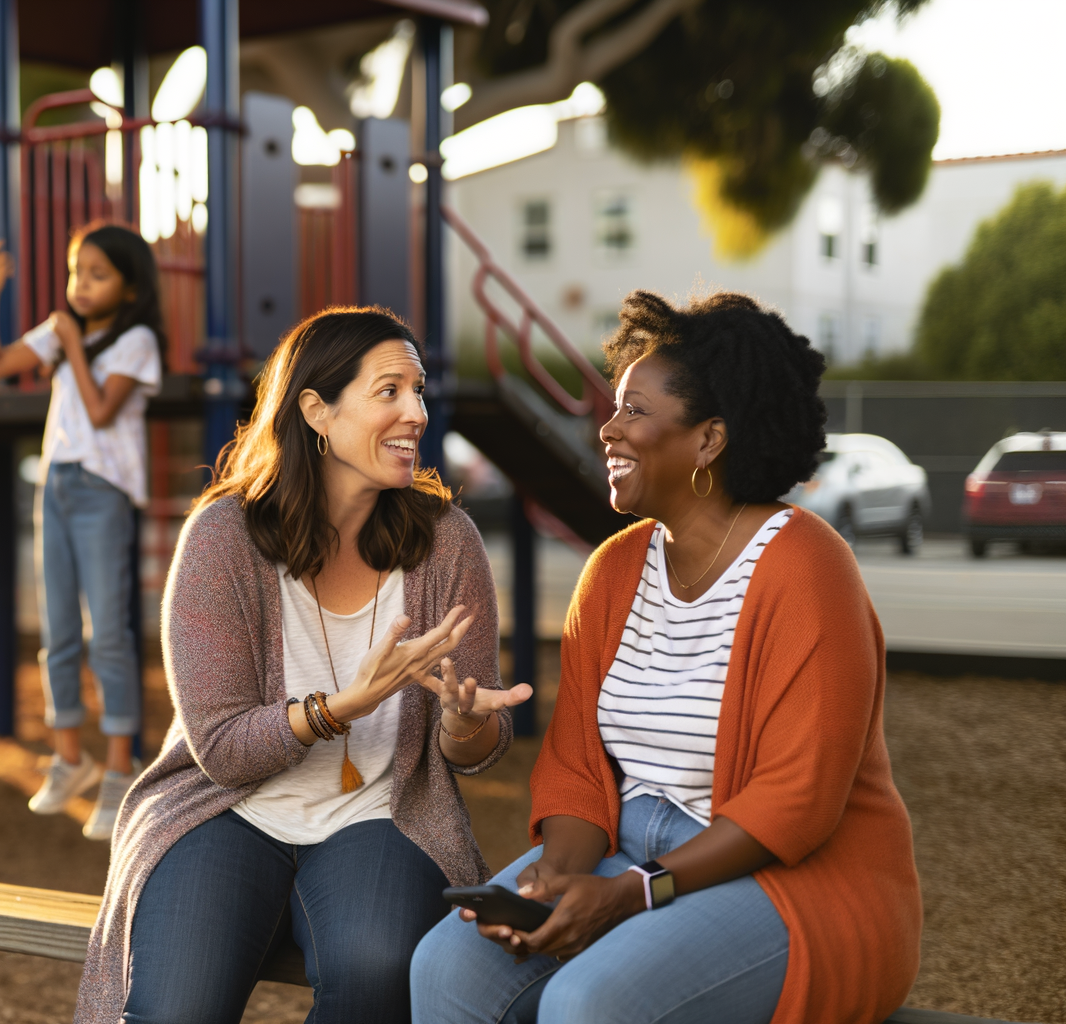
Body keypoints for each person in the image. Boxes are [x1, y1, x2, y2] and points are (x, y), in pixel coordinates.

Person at [411, 290, 922, 1024]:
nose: (608, 429)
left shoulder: (807, 567)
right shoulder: (615, 569)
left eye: (634, 411)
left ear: (709, 441)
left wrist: (633, 892)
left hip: (782, 875)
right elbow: (580, 769)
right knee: (446, 968)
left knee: (589, 1002)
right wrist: (557, 875)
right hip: (622, 845)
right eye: (613, 408)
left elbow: (797, 805)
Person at [73, 307, 534, 1024]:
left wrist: (462, 723)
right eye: (389, 391)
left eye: (418, 391)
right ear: (317, 410)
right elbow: (222, 750)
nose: (416, 412)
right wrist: (342, 706)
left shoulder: (447, 544)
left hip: (380, 814)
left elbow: (474, 753)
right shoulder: (223, 538)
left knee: (378, 971)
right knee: (174, 1010)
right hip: (226, 810)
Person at [0, 224, 165, 841]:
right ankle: (69, 758)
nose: (81, 285)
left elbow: (102, 410)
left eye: (97, 274)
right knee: (56, 630)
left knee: (106, 632)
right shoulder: (63, 331)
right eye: (76, 272)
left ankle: (118, 767)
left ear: (129, 285)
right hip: (54, 486)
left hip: (102, 491)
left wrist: (71, 346)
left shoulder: (136, 340)